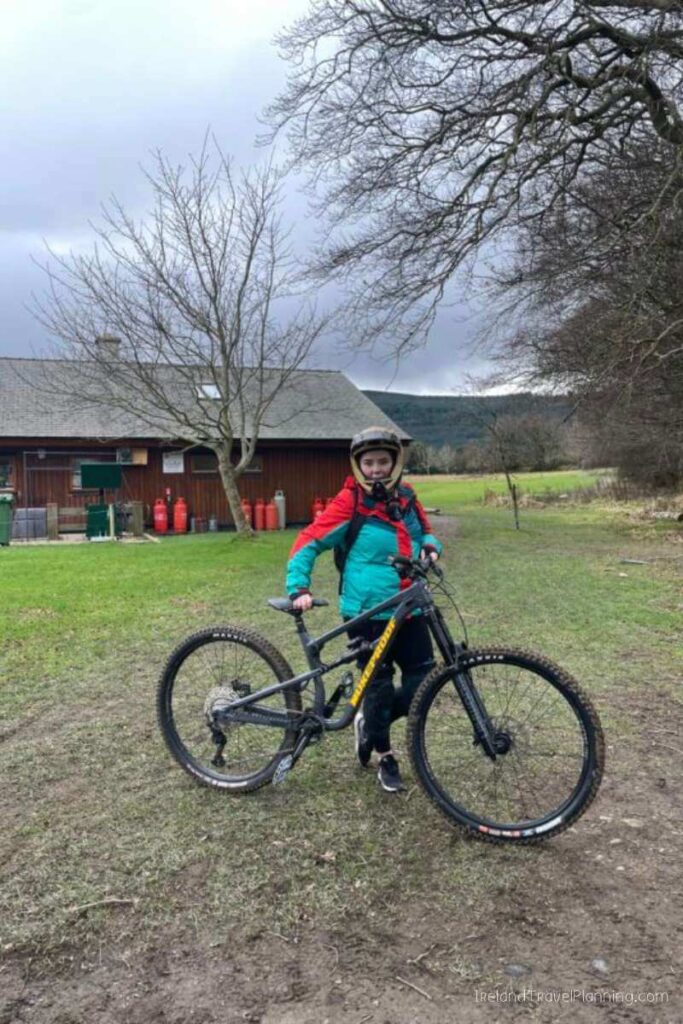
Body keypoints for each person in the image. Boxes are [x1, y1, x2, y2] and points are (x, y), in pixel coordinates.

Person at [285, 427, 442, 793]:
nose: (375, 469)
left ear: (395, 463)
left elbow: (426, 533)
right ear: (358, 466)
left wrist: (431, 548)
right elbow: (308, 540)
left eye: (382, 461)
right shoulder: (349, 502)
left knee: (423, 681)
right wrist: (299, 587)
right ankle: (384, 754)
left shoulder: (406, 497)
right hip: (367, 612)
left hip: (410, 606)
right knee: (379, 686)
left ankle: (369, 723)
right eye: (368, 463)